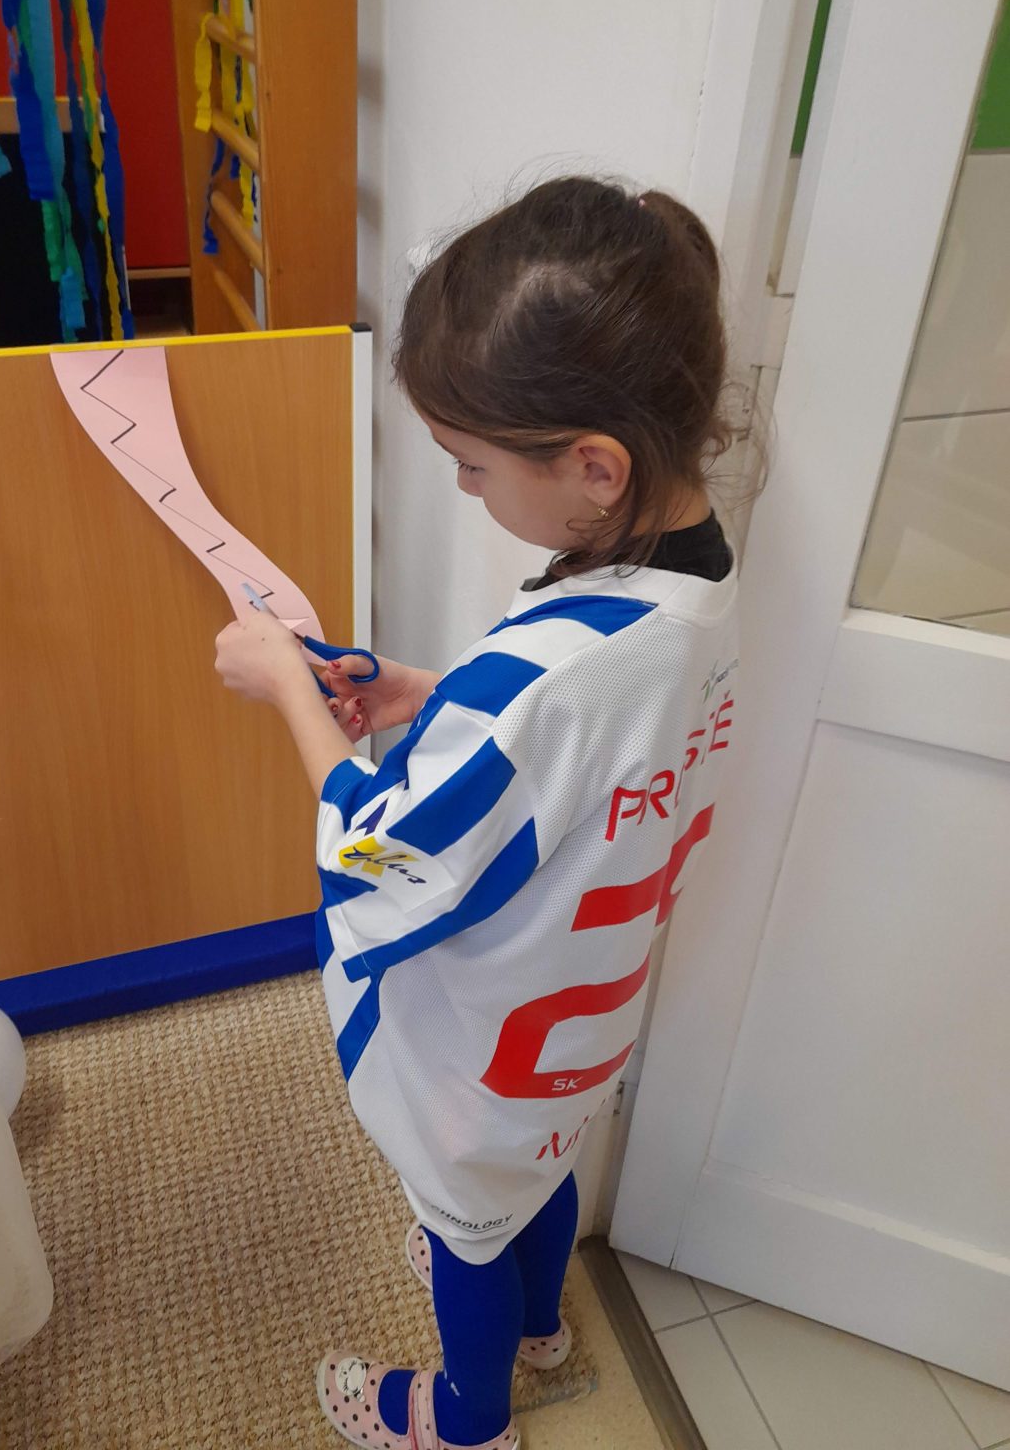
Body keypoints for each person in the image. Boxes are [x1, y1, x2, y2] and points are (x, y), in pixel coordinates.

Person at [214, 176, 741, 1450]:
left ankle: (463, 1418)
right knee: (542, 1164)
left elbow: (378, 850)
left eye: (472, 463)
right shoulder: (700, 581)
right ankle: (543, 1324)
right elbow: (584, 732)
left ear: (594, 467)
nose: (463, 487)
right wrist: (431, 694)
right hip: (581, 1012)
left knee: (466, 1218)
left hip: (492, 1037)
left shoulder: (547, 678)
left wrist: (285, 690)